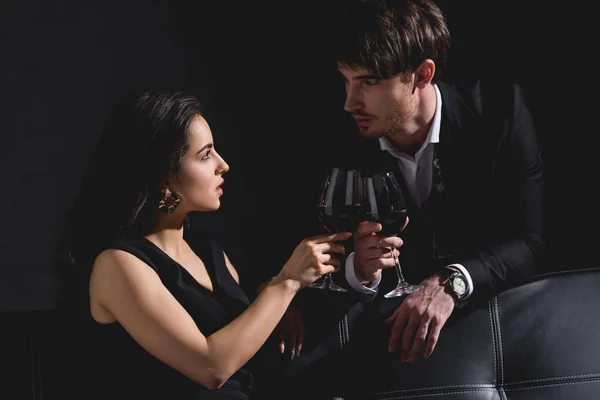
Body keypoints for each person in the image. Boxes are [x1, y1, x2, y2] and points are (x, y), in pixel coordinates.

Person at [262, 0, 545, 397]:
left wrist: (452, 283)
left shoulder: (500, 115)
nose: (350, 102)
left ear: (422, 75)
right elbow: (292, 236)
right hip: (374, 348)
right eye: (346, 80)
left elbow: (528, 243)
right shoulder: (332, 133)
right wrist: (357, 271)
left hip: (483, 330)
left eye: (368, 82)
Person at [53, 87, 350, 400]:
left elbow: (242, 342)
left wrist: (274, 298)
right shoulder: (117, 265)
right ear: (162, 176)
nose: (223, 165)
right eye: (205, 155)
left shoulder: (208, 251)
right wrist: (286, 283)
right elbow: (211, 368)